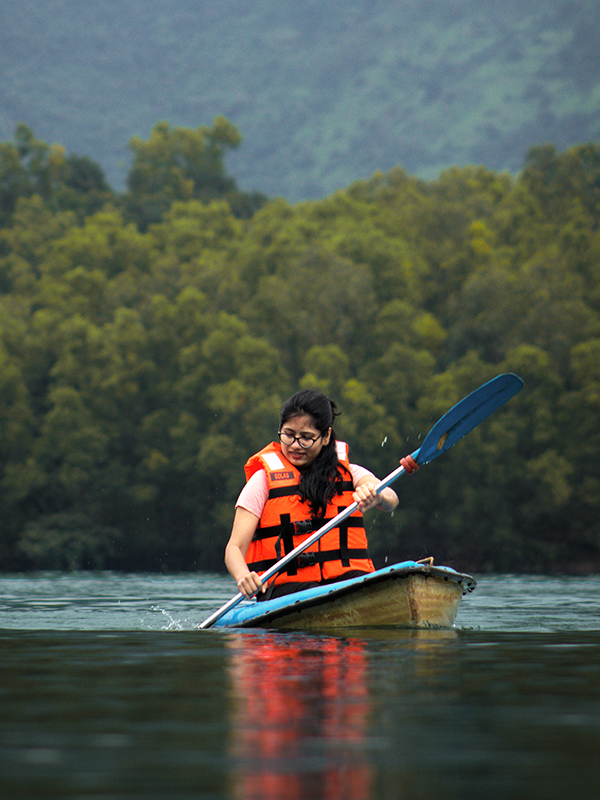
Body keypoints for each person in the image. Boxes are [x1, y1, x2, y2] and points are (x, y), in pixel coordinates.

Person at [224, 389, 418, 600]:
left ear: (325, 437)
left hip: (349, 579)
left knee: (355, 581)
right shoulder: (262, 481)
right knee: (308, 589)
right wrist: (243, 576)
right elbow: (234, 548)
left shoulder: (349, 472)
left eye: (307, 438)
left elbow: (391, 499)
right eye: (288, 435)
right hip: (287, 591)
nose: (295, 445)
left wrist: (377, 495)